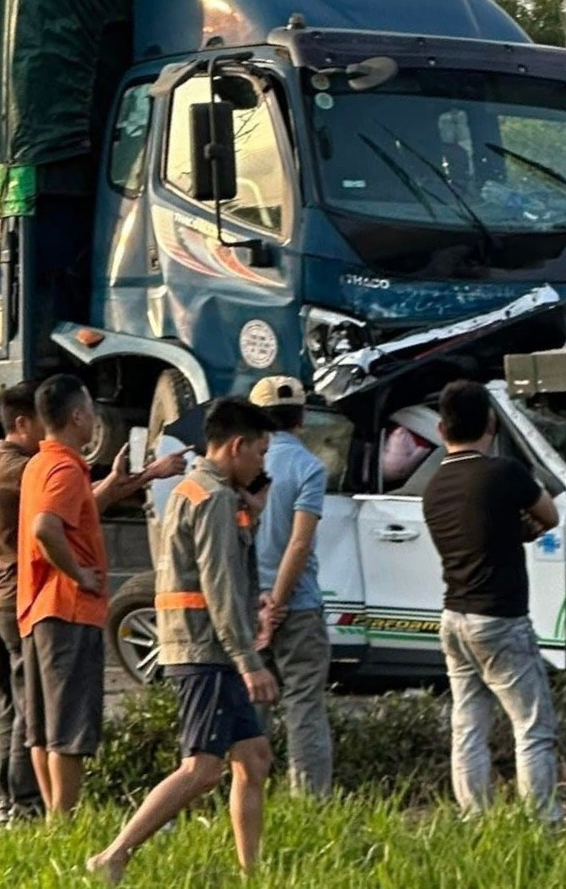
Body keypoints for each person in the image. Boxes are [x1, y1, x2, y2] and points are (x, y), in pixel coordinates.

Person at [88, 398, 280, 885]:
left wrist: (251, 516)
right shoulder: (213, 498)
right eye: (259, 452)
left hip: (201, 645)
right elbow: (218, 584)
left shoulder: (197, 489)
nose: (262, 464)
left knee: (253, 757)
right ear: (236, 447)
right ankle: (114, 854)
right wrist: (248, 660)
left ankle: (250, 872)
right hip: (204, 650)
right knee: (202, 769)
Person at [17, 375, 183, 816]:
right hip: (68, 610)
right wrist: (78, 574)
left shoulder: (42, 463)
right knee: (68, 729)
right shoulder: (66, 468)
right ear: (76, 416)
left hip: (37, 610)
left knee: (42, 728)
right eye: (90, 409)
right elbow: (46, 527)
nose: (95, 418)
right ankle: (63, 821)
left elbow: (78, 508)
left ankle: (56, 820)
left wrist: (138, 477)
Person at [422, 379, 562, 821]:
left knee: (467, 726)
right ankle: (544, 823)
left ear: (442, 429)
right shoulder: (504, 473)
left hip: (454, 617)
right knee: (533, 727)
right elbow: (550, 515)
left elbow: (475, 533)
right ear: (491, 422)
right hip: (499, 618)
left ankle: (474, 821)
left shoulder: (433, 486)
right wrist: (523, 529)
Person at [248, 375, 333, 797]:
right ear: (301, 419)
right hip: (297, 605)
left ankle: (246, 794)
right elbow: (300, 542)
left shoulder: (241, 464)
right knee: (304, 706)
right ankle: (310, 802)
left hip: (246, 605)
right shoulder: (310, 468)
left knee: (252, 705)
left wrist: (261, 607)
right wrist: (278, 604)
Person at [0, 382, 45, 824]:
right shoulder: (24, 472)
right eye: (44, 421)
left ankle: (5, 802)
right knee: (28, 706)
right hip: (17, 598)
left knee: (8, 705)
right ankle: (23, 804)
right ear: (22, 423)